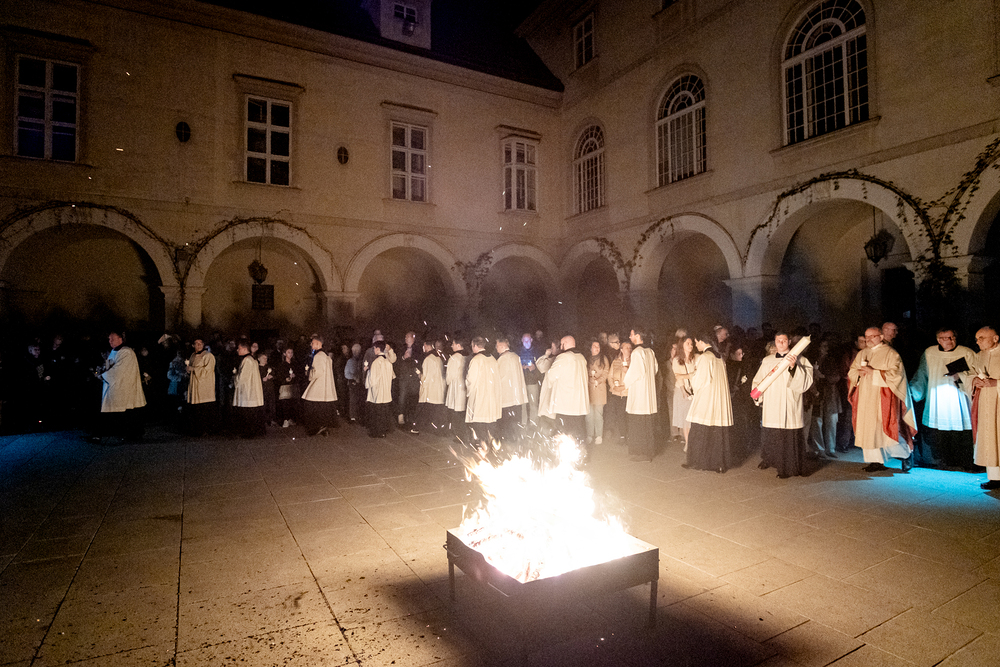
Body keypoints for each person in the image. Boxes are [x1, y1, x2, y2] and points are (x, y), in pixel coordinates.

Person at [848, 327, 917, 473]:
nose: (868, 340)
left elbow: (896, 375)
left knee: (886, 429)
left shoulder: (891, 354)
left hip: (883, 398)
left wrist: (874, 372)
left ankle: (906, 455)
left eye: (872, 336)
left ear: (880, 336)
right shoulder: (862, 353)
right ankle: (875, 461)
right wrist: (858, 373)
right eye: (866, 337)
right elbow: (852, 371)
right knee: (868, 430)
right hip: (865, 397)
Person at [909, 328, 977, 470]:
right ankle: (942, 461)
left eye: (952, 337)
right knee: (939, 432)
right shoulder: (930, 353)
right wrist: (913, 392)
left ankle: (963, 461)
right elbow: (922, 373)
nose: (949, 341)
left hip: (959, 398)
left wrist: (960, 376)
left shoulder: (966, 352)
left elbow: (975, 374)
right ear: (938, 340)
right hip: (937, 398)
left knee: (961, 430)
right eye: (945, 338)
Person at [752, 332, 814, 478]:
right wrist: (757, 394)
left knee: (788, 435)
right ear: (774, 342)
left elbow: (806, 382)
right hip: (772, 403)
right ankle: (770, 459)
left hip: (789, 402)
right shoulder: (767, 360)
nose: (781, 343)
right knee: (772, 434)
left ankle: (789, 466)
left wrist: (793, 367)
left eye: (784, 340)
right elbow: (759, 380)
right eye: (778, 340)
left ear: (789, 342)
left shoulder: (801, 359)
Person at [685, 331, 733, 472]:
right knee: (716, 432)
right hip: (719, 399)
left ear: (701, 341)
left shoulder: (705, 357)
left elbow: (700, 381)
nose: (696, 345)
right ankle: (718, 463)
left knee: (700, 429)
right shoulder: (719, 357)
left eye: (696, 342)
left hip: (706, 399)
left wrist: (692, 378)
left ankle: (699, 462)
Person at [89, 330, 146, 443]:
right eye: (109, 339)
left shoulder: (126, 352)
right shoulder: (115, 351)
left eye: (112, 339)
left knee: (124, 411)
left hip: (125, 387)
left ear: (120, 339)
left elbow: (118, 370)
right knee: (116, 410)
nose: (110, 341)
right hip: (116, 386)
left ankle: (131, 435)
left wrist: (103, 376)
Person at [538, 335, 590, 449]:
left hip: (565, 403)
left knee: (565, 432)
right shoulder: (581, 357)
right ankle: (582, 453)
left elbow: (551, 376)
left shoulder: (563, 357)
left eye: (561, 344)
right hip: (579, 404)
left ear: (565, 344)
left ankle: (566, 455)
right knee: (579, 431)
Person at [971, 327, 1000, 490]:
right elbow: (971, 373)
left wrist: (996, 383)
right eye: (977, 338)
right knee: (990, 438)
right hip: (986, 402)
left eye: (981, 338)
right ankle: (995, 477)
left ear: (995, 338)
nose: (978, 342)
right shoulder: (979, 355)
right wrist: (974, 380)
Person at [624, 329, 658, 462]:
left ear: (638, 336)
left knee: (638, 422)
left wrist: (626, 375)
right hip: (648, 391)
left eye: (632, 334)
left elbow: (636, 372)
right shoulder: (650, 351)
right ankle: (649, 452)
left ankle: (641, 453)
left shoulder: (637, 352)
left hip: (639, 393)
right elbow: (655, 369)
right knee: (647, 423)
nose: (630, 336)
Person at [465, 336, 502, 443]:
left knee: (479, 422)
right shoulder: (493, 359)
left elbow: (471, 380)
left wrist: (469, 392)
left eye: (472, 346)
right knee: (491, 422)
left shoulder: (476, 360)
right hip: (491, 396)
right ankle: (493, 444)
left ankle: (482, 444)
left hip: (480, 397)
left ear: (475, 346)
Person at [301, 334, 338, 436]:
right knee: (322, 408)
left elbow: (317, 372)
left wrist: (309, 373)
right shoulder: (326, 356)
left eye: (313, 343)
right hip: (325, 387)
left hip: (318, 386)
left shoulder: (318, 356)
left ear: (318, 344)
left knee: (311, 406)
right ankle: (324, 427)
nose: (311, 345)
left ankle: (316, 428)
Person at [496, 336, 527, 442]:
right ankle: (517, 442)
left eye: (497, 346)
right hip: (517, 397)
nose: (496, 348)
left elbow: (498, 378)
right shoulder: (516, 357)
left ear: (502, 346)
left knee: (507, 424)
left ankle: (507, 443)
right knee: (516, 423)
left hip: (507, 397)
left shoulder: (502, 360)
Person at [232, 340, 265, 438]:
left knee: (248, 414)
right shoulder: (251, 359)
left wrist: (235, 376)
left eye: (239, 348)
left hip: (247, 392)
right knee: (251, 413)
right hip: (251, 390)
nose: (237, 350)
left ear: (244, 349)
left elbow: (243, 378)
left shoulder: (247, 360)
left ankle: (249, 433)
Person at [186, 338, 216, 435]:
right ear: (193, 345)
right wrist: (188, 370)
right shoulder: (192, 355)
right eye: (196, 343)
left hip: (204, 388)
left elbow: (208, 371)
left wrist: (193, 369)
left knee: (204, 410)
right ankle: (196, 429)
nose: (199, 345)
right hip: (195, 387)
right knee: (196, 410)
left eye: (201, 343)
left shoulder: (208, 356)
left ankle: (205, 430)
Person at [365, 341, 395, 437]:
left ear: (378, 349)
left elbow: (372, 380)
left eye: (374, 348)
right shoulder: (388, 362)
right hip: (386, 391)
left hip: (377, 392)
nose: (374, 350)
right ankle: (384, 431)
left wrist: (368, 371)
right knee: (385, 412)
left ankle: (377, 432)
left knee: (377, 413)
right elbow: (392, 376)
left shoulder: (376, 363)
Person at [671, 336, 696, 446]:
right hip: (682, 391)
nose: (690, 346)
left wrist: (685, 376)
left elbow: (696, 374)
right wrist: (684, 391)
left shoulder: (694, 359)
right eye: (688, 343)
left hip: (693, 390)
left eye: (691, 344)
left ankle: (691, 443)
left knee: (692, 418)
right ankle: (687, 443)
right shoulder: (677, 360)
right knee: (686, 418)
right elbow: (678, 377)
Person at [606, 340, 631, 445]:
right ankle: (622, 436)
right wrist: (613, 387)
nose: (628, 350)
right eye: (626, 348)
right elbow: (610, 376)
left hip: (628, 394)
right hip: (617, 394)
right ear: (621, 350)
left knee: (628, 416)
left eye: (630, 348)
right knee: (620, 415)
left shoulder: (633, 362)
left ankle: (630, 436)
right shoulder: (615, 362)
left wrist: (624, 388)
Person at [417, 339, 446, 433]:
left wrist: (419, 376)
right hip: (438, 389)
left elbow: (426, 377)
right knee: (436, 411)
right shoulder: (438, 358)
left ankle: (419, 427)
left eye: (424, 346)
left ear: (426, 345)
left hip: (430, 390)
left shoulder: (428, 359)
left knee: (425, 409)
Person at [585, 340, 610, 447]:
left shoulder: (604, 359)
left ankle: (599, 435)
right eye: (594, 346)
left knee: (598, 414)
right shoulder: (587, 359)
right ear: (590, 348)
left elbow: (606, 372)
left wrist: (598, 380)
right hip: (589, 389)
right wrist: (590, 379)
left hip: (599, 389)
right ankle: (589, 435)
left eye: (598, 346)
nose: (597, 348)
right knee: (589, 414)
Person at [396, 331, 421, 431]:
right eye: (405, 337)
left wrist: (412, 359)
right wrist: (403, 357)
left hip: (413, 377)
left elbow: (419, 361)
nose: (406, 339)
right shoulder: (402, 348)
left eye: (408, 337)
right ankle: (401, 416)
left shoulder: (417, 349)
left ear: (413, 338)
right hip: (404, 376)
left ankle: (411, 417)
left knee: (413, 397)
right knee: (402, 397)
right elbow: (397, 361)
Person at [445, 338, 469, 440]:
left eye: (453, 344)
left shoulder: (454, 358)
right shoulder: (467, 356)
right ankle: (463, 434)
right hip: (465, 386)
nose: (451, 346)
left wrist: (448, 382)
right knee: (462, 411)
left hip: (455, 387)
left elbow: (450, 375)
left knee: (456, 411)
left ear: (458, 345)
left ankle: (458, 434)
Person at [519, 332, 543, 429]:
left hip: (533, 381)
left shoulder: (537, 352)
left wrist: (534, 368)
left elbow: (542, 368)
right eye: (524, 340)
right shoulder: (518, 352)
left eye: (528, 340)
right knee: (523, 403)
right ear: (522, 341)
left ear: (531, 340)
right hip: (522, 382)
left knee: (533, 403)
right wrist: (521, 367)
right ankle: (523, 422)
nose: (526, 342)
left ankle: (534, 422)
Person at [275, 347, 300, 428]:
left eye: (291, 352)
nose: (290, 354)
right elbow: (279, 376)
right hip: (285, 386)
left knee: (293, 403)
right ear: (284, 354)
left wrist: (295, 376)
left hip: (293, 385)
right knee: (285, 403)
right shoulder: (281, 365)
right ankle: (285, 419)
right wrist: (285, 379)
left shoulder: (295, 364)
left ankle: (291, 419)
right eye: (288, 352)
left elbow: (299, 374)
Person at [344, 343, 364, 423]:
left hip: (360, 383)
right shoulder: (350, 361)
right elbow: (346, 374)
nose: (356, 352)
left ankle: (359, 415)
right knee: (353, 400)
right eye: (354, 351)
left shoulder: (362, 361)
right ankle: (353, 417)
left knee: (360, 400)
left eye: (357, 350)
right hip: (353, 383)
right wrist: (354, 377)